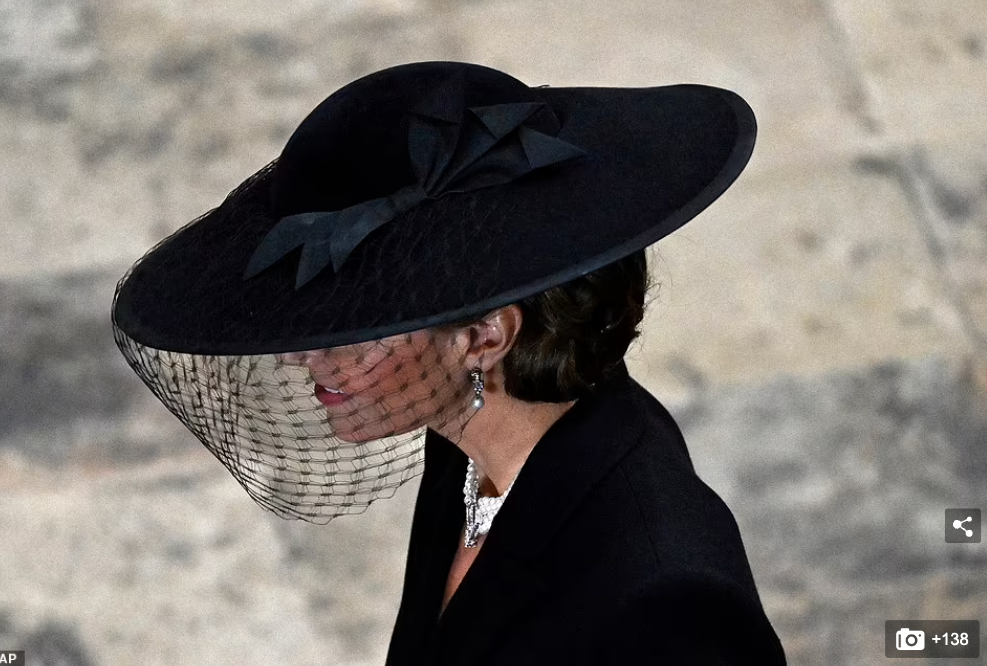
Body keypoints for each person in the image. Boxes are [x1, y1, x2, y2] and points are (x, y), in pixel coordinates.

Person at [112, 61, 786, 664]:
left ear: (486, 337)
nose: (298, 356)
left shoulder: (667, 602)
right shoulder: (465, 439)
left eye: (355, 329)